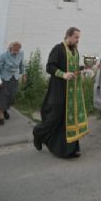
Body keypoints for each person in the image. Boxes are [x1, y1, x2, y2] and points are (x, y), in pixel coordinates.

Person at [33, 27, 88, 158]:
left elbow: (73, 69)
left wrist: (84, 69)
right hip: (58, 90)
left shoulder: (75, 51)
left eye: (78, 38)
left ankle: (68, 150)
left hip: (72, 93)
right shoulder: (58, 49)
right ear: (68, 36)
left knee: (68, 120)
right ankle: (38, 133)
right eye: (76, 37)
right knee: (54, 118)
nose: (78, 40)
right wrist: (63, 74)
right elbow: (49, 67)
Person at [0, 42, 26, 125]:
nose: (16, 52)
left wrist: (24, 74)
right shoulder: (4, 56)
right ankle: (0, 116)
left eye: (17, 50)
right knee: (2, 97)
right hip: (4, 79)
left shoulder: (21, 54)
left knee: (11, 97)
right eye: (14, 50)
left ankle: (5, 109)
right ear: (10, 49)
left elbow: (22, 65)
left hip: (15, 78)